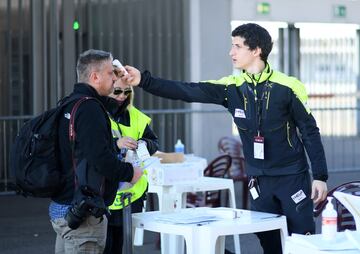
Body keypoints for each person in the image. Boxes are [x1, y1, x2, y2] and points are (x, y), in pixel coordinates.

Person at [119, 23, 328, 254]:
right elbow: (187, 90)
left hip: (292, 177)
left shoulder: (289, 86)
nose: (231, 52)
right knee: (270, 244)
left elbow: (310, 131)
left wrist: (319, 176)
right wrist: (143, 81)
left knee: (302, 242)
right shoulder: (231, 87)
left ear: (256, 50)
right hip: (259, 180)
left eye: (237, 46)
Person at [49, 49, 143, 254]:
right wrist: (129, 172)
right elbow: (100, 158)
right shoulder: (90, 109)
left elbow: (114, 106)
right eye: (110, 73)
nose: (114, 77)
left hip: (63, 208)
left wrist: (119, 78)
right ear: (95, 77)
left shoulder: (70, 103)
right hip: (83, 215)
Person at [102, 75, 159, 254]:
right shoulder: (96, 113)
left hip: (132, 193)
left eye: (127, 91)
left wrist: (143, 143)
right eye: (117, 91)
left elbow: (154, 142)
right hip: (104, 192)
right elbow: (89, 146)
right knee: (103, 244)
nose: (122, 96)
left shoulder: (136, 116)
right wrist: (116, 144)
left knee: (122, 244)